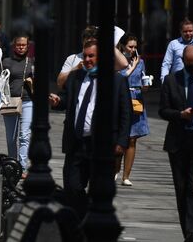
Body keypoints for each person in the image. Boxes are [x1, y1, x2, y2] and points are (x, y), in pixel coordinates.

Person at [48, 40, 131, 218]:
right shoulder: (75, 77)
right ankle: (81, 218)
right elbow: (67, 100)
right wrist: (58, 101)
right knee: (72, 187)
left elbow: (126, 112)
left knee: (98, 189)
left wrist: (122, 141)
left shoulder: (116, 81)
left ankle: (90, 222)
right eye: (85, 56)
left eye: (91, 56)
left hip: (101, 145)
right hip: (76, 143)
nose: (87, 59)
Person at [159, 45, 193, 242]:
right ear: (184, 61)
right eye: (191, 64)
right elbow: (163, 110)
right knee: (181, 188)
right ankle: (187, 231)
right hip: (178, 141)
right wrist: (180, 115)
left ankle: (192, 232)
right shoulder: (171, 80)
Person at [114, 34, 150, 186]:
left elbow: (142, 79)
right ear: (122, 47)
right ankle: (114, 171)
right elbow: (119, 77)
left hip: (136, 98)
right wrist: (132, 66)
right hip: (121, 98)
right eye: (130, 47)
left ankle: (126, 175)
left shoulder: (140, 61)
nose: (133, 50)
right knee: (119, 137)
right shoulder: (117, 60)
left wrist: (146, 85)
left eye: (135, 47)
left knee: (132, 138)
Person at [1, 34, 34, 176]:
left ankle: (22, 167)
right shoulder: (6, 62)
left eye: (24, 45)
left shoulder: (31, 62)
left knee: (24, 135)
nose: (21, 47)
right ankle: (13, 164)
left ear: (28, 46)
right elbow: (1, 81)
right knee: (11, 137)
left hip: (27, 101)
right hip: (10, 102)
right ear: (14, 46)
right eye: (18, 45)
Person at [56, 26, 128, 89]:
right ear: (83, 42)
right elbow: (59, 83)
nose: (90, 46)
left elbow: (124, 64)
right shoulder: (72, 58)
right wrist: (76, 68)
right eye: (87, 43)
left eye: (93, 43)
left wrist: (108, 42)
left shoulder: (104, 59)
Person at [161, 18, 193, 84]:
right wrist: (164, 80)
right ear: (180, 31)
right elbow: (166, 64)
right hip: (176, 81)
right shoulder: (173, 44)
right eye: (185, 31)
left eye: (190, 31)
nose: (188, 33)